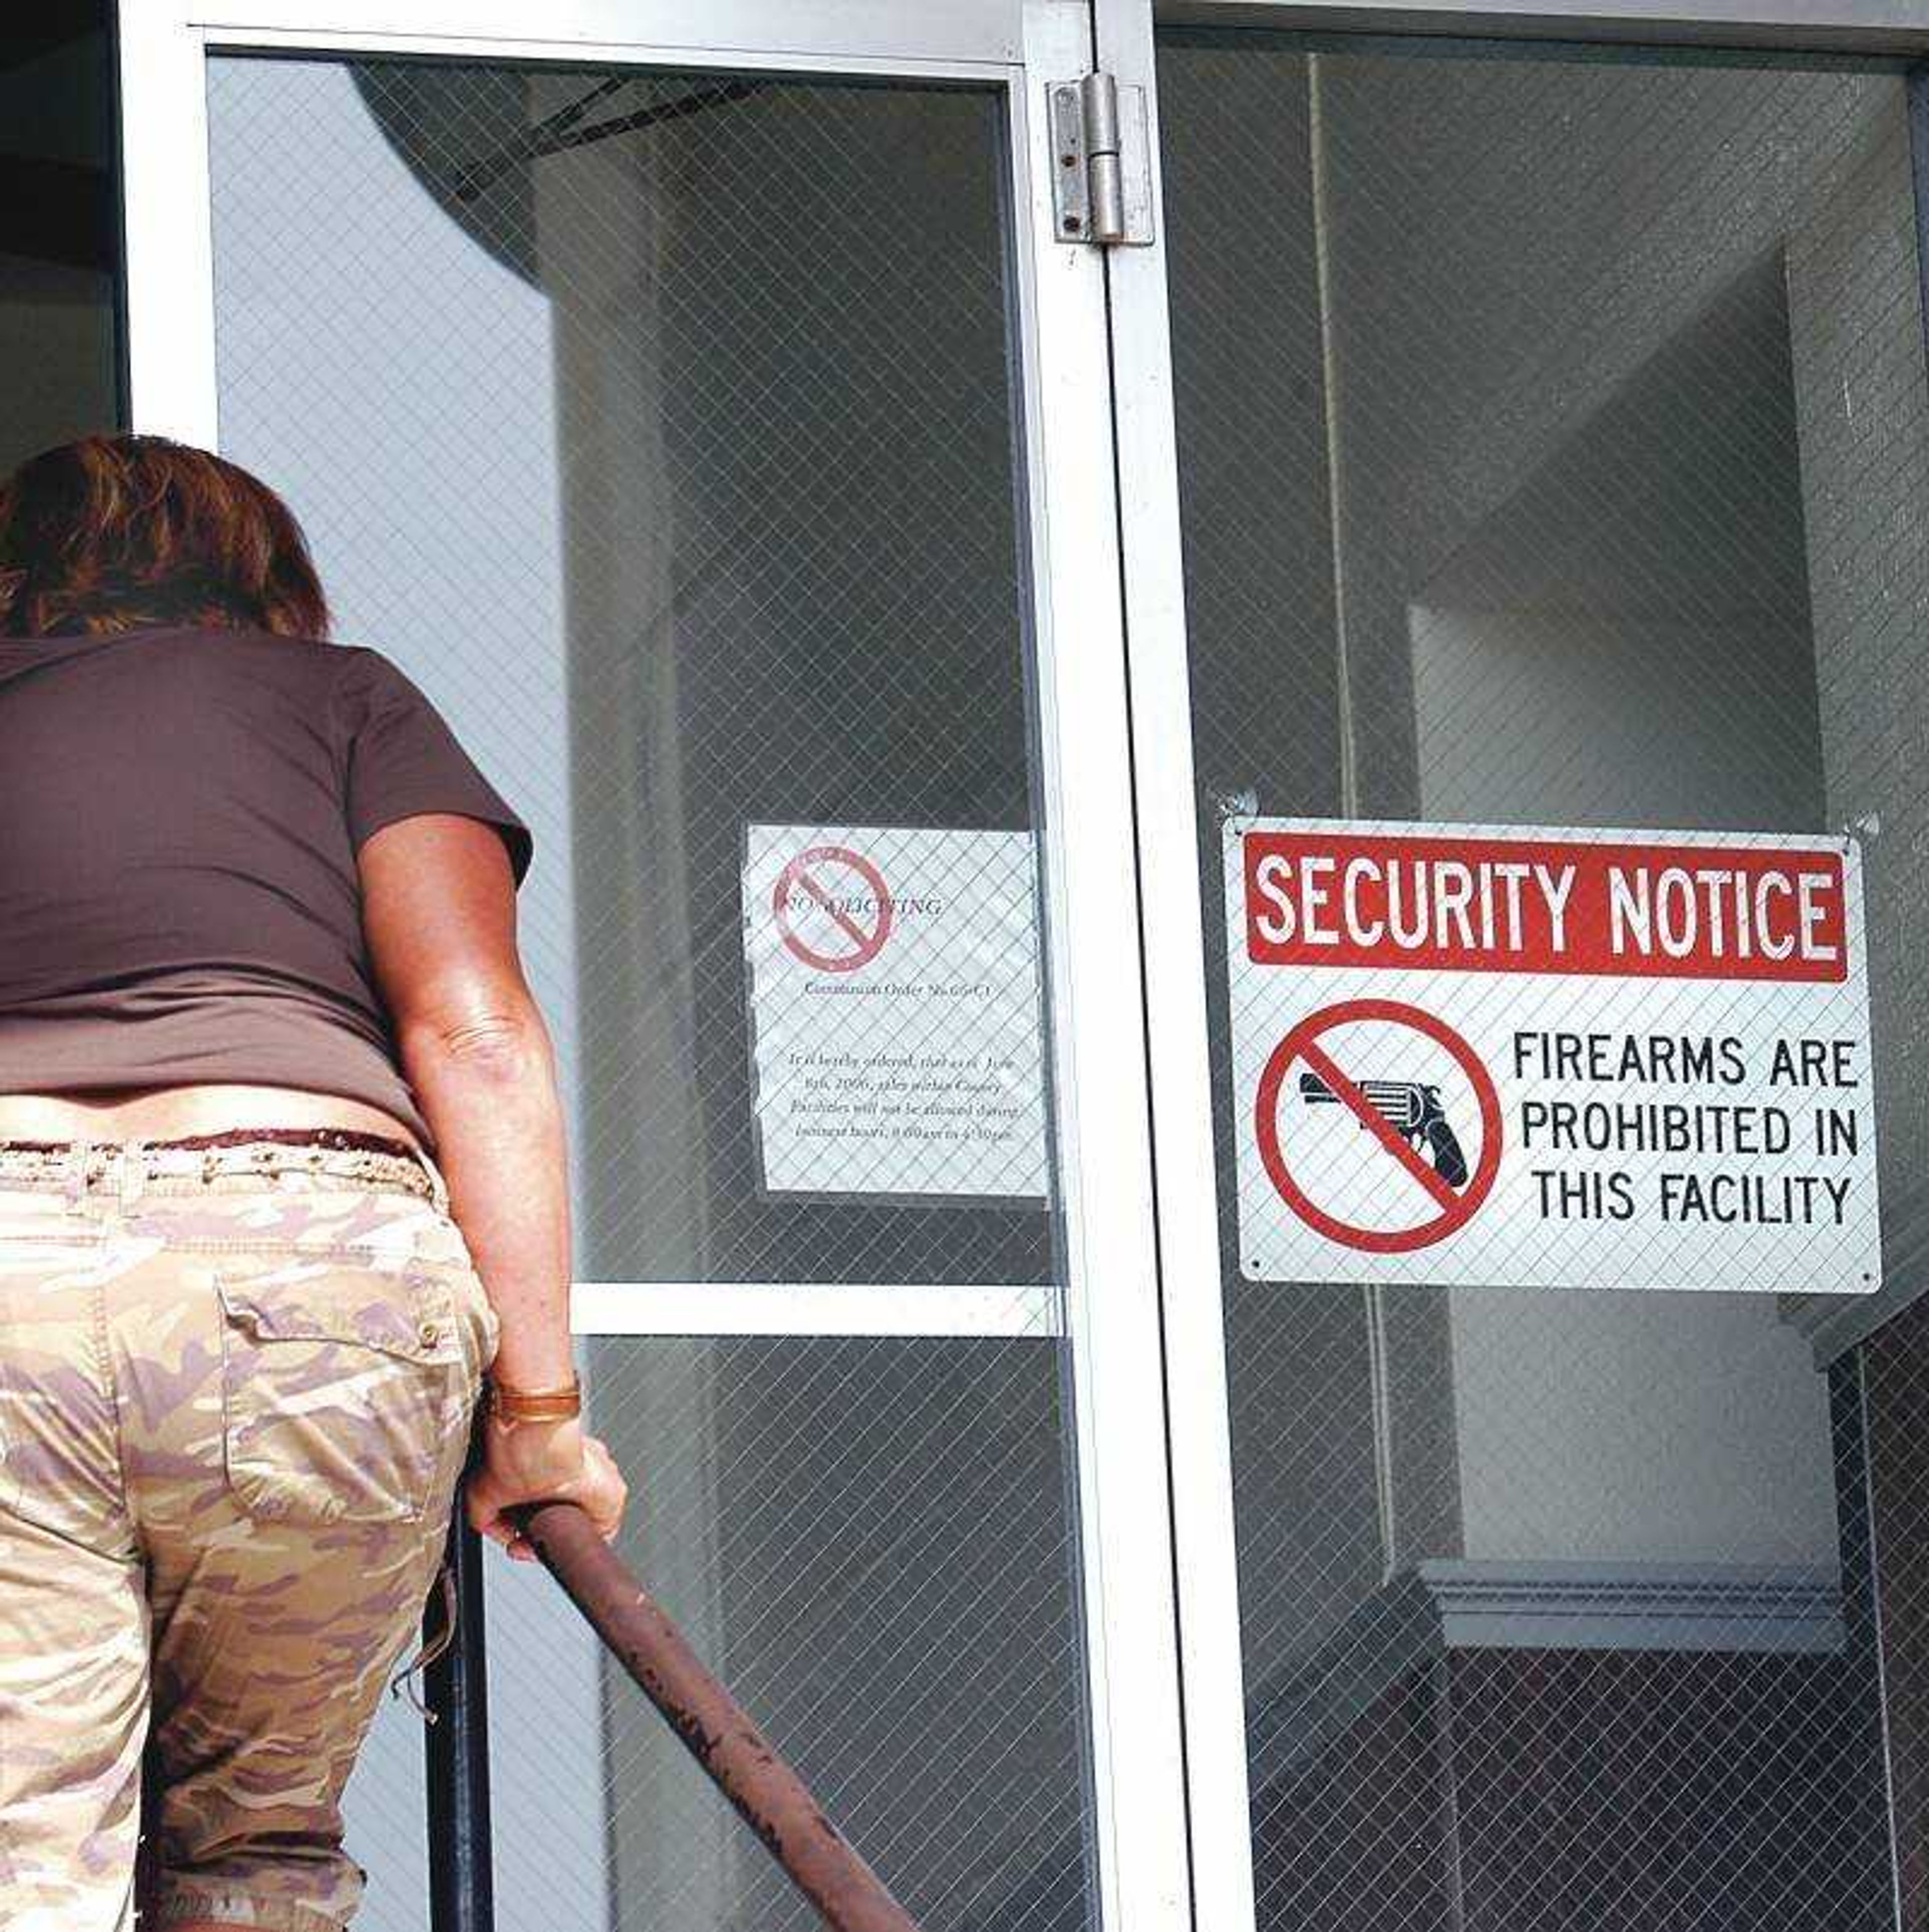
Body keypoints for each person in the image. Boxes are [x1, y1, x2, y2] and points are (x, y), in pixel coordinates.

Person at [0, 432, 627, 1932]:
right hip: (310, 1256)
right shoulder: (353, 702)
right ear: (269, 583)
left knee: (26, 1859)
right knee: (253, 1859)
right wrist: (538, 1424)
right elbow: (473, 1034)